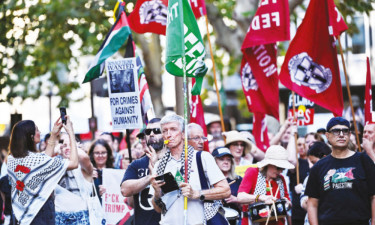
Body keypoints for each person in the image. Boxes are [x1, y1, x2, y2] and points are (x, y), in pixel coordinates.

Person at [151, 114, 231, 225]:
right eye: (164, 131)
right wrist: (156, 193)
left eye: (173, 129)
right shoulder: (159, 165)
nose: (168, 135)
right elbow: (158, 209)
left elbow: (226, 190)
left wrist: (196, 194)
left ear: (183, 134)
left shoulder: (202, 157)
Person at [7, 117, 78, 225]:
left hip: (22, 216)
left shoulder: (12, 159)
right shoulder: (37, 161)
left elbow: (44, 160)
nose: (39, 132)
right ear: (31, 136)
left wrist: (53, 134)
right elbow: (74, 163)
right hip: (41, 214)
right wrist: (71, 133)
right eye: (37, 130)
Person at [305, 117, 375, 225]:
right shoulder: (318, 167)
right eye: (336, 131)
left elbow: (374, 197)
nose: (341, 134)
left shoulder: (364, 161)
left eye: (345, 131)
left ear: (350, 134)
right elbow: (312, 203)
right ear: (327, 136)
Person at [121, 118, 166, 225]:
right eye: (147, 131)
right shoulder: (136, 164)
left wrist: (157, 168)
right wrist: (149, 177)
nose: (151, 134)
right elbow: (125, 190)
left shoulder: (174, 162)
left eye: (156, 131)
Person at [237, 145, 293, 225]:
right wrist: (261, 197)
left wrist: (287, 203)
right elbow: (240, 197)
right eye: (278, 168)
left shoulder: (281, 179)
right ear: (268, 164)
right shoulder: (253, 172)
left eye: (283, 168)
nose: (280, 171)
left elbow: (288, 202)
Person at [55, 132, 94, 224]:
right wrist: (56, 148)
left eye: (71, 145)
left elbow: (83, 156)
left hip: (80, 217)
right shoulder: (56, 166)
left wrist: (75, 147)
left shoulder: (83, 166)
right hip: (59, 217)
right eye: (64, 145)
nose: (67, 148)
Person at [299, 142, 332, 225]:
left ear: (324, 158)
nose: (311, 166)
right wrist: (309, 203)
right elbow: (303, 199)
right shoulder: (310, 177)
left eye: (314, 162)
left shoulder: (336, 176)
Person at [212, 147, 243, 225]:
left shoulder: (238, 180)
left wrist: (236, 200)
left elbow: (246, 208)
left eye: (228, 159)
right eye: (222, 159)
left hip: (236, 220)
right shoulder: (209, 181)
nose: (226, 162)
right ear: (214, 162)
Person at [88, 139, 114, 204]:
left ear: (108, 154)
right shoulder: (87, 172)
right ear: (92, 154)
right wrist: (88, 178)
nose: (100, 156)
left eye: (103, 153)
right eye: (97, 153)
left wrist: (108, 191)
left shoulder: (114, 172)